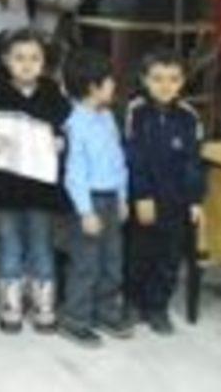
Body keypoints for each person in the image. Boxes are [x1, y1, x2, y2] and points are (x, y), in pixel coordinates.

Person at [0, 28, 71, 334]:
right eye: (19, 58)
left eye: (34, 58)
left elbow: (66, 131)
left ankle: (43, 303)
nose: (27, 65)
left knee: (41, 244)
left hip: (41, 189)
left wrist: (61, 143)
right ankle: (11, 303)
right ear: (6, 60)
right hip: (7, 187)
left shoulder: (53, 94)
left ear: (44, 62)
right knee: (10, 244)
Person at [126, 49, 207, 335]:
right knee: (139, 255)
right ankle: (133, 302)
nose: (165, 86)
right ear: (144, 80)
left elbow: (194, 162)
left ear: (182, 82)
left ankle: (157, 307)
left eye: (173, 79)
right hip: (145, 202)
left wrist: (195, 200)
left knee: (169, 258)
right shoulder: (135, 112)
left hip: (177, 203)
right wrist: (141, 195)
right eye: (157, 79)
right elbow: (133, 158)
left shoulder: (189, 117)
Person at [59, 49, 134, 347]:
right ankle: (76, 318)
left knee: (112, 261)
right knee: (86, 263)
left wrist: (122, 196)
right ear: (93, 86)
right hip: (89, 202)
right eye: (109, 81)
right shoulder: (75, 124)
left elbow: (118, 161)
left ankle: (105, 311)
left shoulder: (108, 117)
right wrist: (85, 211)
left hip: (111, 198)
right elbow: (74, 174)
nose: (114, 86)